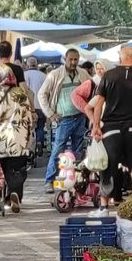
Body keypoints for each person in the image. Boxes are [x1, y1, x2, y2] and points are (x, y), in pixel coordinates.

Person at [89, 44, 132, 203]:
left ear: (119, 60)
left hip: (110, 130)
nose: (99, 71)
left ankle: (105, 205)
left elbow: (96, 105)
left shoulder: (108, 77)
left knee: (108, 166)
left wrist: (96, 125)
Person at [0, 62, 36, 213]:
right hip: (19, 137)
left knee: (2, 169)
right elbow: (29, 117)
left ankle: (5, 197)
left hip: (1, 140)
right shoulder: (21, 93)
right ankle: (15, 193)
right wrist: (28, 136)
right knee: (17, 168)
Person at [42, 49, 91, 185]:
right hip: (63, 119)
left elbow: (92, 90)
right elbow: (42, 94)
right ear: (65, 59)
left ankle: (76, 181)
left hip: (80, 117)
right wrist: (51, 114)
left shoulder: (83, 74)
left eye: (76, 59)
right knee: (58, 150)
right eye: (71, 59)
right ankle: (49, 180)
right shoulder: (55, 75)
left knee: (78, 151)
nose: (73, 62)